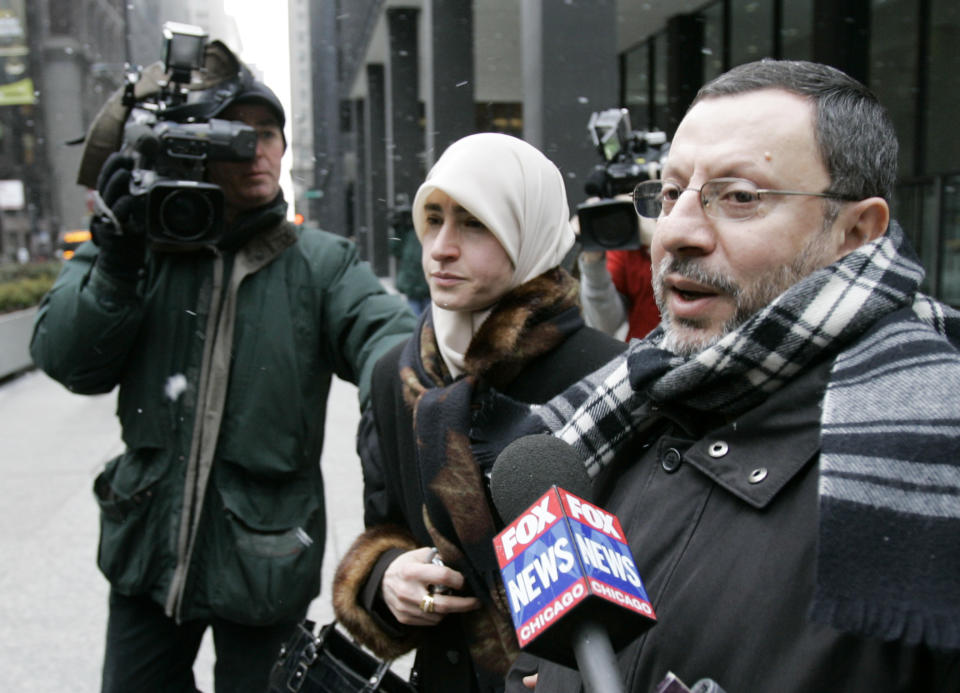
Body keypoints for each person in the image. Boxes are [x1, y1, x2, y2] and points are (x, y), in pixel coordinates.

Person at [503, 59, 960, 691]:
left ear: (856, 231)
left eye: (740, 197)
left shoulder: (935, 454)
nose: (677, 232)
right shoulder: (629, 404)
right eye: (669, 194)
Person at [29, 46, 416, 693]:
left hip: (266, 562)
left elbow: (388, 338)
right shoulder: (141, 243)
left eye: (270, 135)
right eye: (241, 136)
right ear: (200, 147)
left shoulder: (320, 263)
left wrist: (414, 393)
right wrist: (117, 260)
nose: (260, 152)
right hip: (144, 553)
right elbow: (67, 360)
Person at [331, 132, 626, 692]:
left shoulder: (606, 375)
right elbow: (387, 523)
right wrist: (384, 579)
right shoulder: (399, 373)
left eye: (473, 223)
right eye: (433, 218)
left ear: (528, 232)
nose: (440, 247)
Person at [576, 208, 660, 340]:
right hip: (641, 350)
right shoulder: (632, 239)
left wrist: (656, 241)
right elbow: (605, 325)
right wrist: (593, 261)